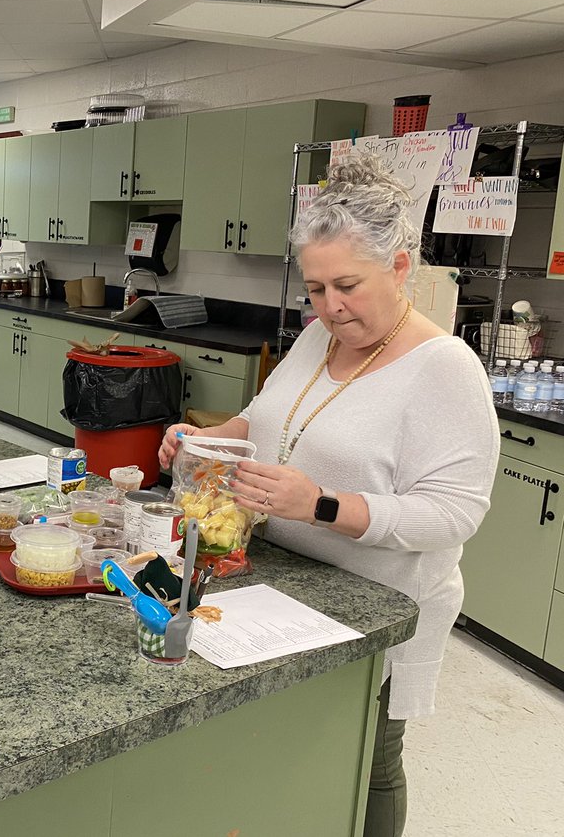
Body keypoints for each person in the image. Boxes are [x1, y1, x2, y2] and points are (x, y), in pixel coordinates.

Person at [158, 154, 498, 837]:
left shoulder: (444, 369)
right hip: (285, 581)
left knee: (370, 760)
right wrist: (203, 441)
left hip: (380, 600)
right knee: (291, 749)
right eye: (315, 289)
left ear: (400, 269)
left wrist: (319, 503)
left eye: (348, 285)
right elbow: (264, 420)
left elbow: (456, 512)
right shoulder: (319, 337)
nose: (330, 306)